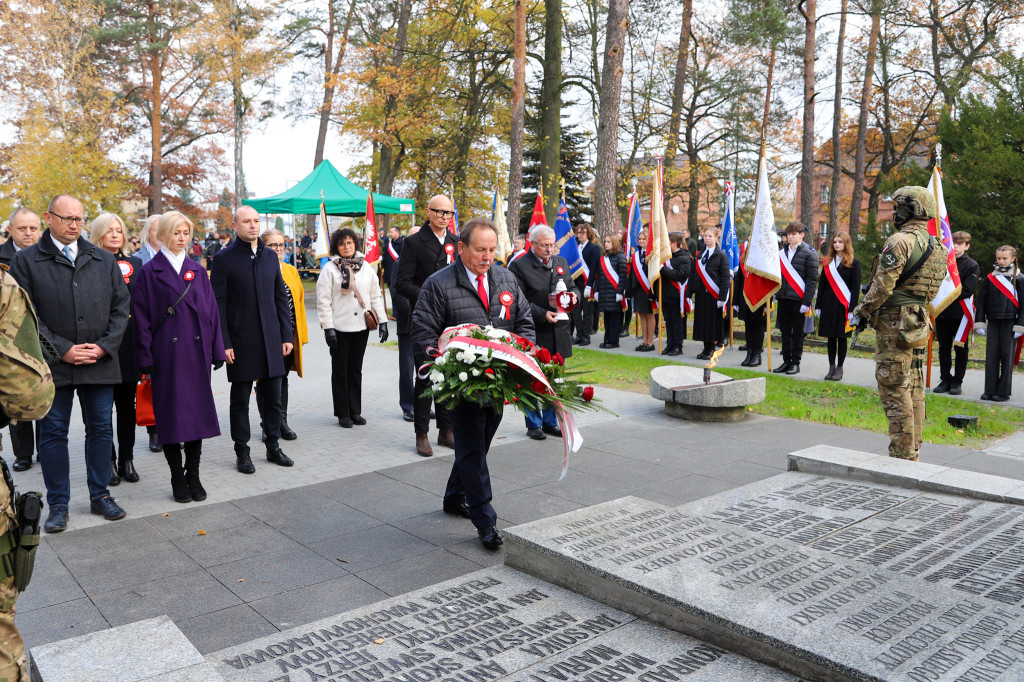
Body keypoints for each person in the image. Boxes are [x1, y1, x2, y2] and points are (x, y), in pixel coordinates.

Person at [10, 194, 130, 532]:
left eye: (79, 219)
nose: (75, 225)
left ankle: (100, 495)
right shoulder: (28, 261)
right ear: (49, 218)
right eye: (67, 219)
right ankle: (58, 504)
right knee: (52, 434)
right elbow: (25, 315)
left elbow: (122, 310)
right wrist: (60, 349)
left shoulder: (102, 259)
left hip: (98, 362)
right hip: (52, 366)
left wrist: (104, 348)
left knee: (101, 429)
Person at [411, 218, 534, 550]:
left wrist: (523, 359)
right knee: (473, 450)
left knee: (476, 446)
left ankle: (454, 497)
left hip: (497, 383)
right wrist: (441, 372)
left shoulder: (506, 277)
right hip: (461, 386)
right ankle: (486, 520)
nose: (487, 257)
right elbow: (423, 334)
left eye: (493, 250)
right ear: (461, 247)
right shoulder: (438, 284)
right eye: (480, 249)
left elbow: (524, 321)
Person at [133, 212, 224, 502]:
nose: (181, 238)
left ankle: (193, 473)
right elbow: (142, 319)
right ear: (163, 235)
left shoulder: (196, 270)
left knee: (196, 416)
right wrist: (145, 355)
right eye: (176, 232)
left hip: (196, 354)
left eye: (186, 232)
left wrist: (217, 348)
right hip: (167, 356)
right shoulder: (149, 272)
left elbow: (211, 312)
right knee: (170, 418)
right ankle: (176, 475)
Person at [852, 186, 947, 461]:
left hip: (895, 323)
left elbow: (882, 287)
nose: (894, 211)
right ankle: (913, 449)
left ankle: (902, 456)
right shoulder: (937, 245)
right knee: (915, 386)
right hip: (918, 321)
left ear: (912, 209)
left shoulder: (900, 241)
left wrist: (863, 311)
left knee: (894, 387)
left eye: (898, 206)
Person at [211, 206, 295, 474]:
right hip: (240, 341)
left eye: (256, 221)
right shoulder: (223, 259)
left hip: (271, 339)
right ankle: (242, 452)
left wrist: (286, 334)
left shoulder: (270, 257)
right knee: (241, 400)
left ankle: (273, 446)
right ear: (235, 226)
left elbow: (280, 298)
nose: (253, 225)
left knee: (273, 398)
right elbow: (218, 305)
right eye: (246, 221)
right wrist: (224, 342)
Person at [395, 195, 459, 456]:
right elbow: (402, 282)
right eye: (439, 212)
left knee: (449, 375)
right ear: (428, 212)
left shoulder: (457, 242)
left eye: (448, 213)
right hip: (424, 319)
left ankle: (446, 430)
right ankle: (422, 433)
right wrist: (428, 295)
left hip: (451, 319)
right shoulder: (413, 242)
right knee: (426, 376)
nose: (444, 216)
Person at [88, 213, 144, 485]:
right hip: (100, 345)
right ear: (98, 234)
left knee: (127, 407)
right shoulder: (86, 263)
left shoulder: (135, 264)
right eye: (108, 230)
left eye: (119, 230)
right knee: (100, 412)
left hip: (128, 346)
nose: (114, 234)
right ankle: (107, 461)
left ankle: (127, 459)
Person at [509, 225, 577, 440]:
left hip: (559, 331)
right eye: (545, 245)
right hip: (535, 331)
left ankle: (550, 421)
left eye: (552, 245)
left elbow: (572, 287)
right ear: (533, 243)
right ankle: (533, 424)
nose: (550, 250)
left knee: (555, 380)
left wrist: (574, 298)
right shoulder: (519, 266)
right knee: (531, 379)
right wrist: (542, 314)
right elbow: (517, 300)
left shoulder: (561, 262)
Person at [316, 228, 388, 427]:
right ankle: (342, 413)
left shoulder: (366, 267)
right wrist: (327, 327)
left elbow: (375, 296)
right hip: (339, 327)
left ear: (356, 244)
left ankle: (355, 410)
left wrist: (382, 321)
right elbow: (323, 301)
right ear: (336, 247)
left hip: (361, 327)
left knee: (356, 370)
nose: (346, 247)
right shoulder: (329, 269)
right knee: (340, 371)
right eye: (341, 244)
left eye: (349, 242)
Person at [0, 208, 42, 472]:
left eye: (33, 228)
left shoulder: (47, 256)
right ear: (10, 230)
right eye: (22, 228)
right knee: (18, 394)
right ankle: (23, 453)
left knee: (42, 393)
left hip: (43, 333)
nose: (28, 233)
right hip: (12, 337)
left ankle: (45, 449)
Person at [257, 230, 308, 440]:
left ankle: (281, 421)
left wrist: (300, 335)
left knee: (283, 379)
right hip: (266, 336)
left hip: (288, 336)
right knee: (265, 381)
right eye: (272, 245)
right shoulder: (258, 270)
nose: (278, 249)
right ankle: (267, 423)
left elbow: (300, 303)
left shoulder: (290, 270)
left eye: (281, 245)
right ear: (263, 247)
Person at [975, 245, 1024, 402]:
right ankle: (989, 390)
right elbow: (982, 301)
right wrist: (980, 322)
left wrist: (1020, 325)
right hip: (993, 321)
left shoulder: (1020, 278)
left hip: (1011, 322)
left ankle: (1003, 392)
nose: (1001, 261)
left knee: (1007, 357)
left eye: (1004, 258)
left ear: (1013, 259)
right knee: (991, 357)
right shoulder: (990, 278)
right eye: (998, 258)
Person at [934, 231, 980, 395]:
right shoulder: (943, 262)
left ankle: (957, 381)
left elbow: (967, 290)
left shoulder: (971, 265)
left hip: (960, 314)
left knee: (960, 349)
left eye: (960, 244)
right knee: (943, 348)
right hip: (942, 312)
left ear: (967, 246)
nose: (955, 246)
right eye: (953, 243)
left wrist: (946, 295)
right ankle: (945, 378)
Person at [815, 231, 861, 381]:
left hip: (843, 306)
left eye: (840, 242)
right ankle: (831, 367)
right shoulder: (828, 261)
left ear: (846, 243)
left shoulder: (854, 263)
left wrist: (851, 310)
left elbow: (855, 288)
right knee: (830, 337)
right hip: (828, 305)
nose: (837, 244)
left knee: (841, 338)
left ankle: (839, 368)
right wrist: (818, 305)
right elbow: (821, 286)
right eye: (835, 242)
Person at [773, 221, 818, 375]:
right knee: (785, 332)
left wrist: (807, 302)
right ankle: (786, 361)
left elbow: (812, 280)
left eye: (794, 234)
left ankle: (795, 363)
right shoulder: (781, 253)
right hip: (784, 298)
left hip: (799, 300)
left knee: (797, 333)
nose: (790, 237)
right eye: (789, 234)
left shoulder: (809, 253)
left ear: (802, 235)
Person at [688, 226, 729, 359]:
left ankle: (711, 349)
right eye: (705, 236)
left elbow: (724, 278)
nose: (707, 238)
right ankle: (705, 348)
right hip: (701, 294)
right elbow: (694, 275)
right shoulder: (700, 254)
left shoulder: (721, 255)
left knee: (712, 323)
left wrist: (722, 297)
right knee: (702, 321)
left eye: (710, 236)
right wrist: (689, 293)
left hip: (714, 295)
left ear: (716, 237)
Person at [392, 225, 418, 422]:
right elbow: (398, 292)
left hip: (428, 324)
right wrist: (416, 315)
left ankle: (423, 404)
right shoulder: (400, 263)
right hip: (408, 323)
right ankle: (408, 406)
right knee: (407, 368)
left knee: (426, 367)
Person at [734, 241, 767, 367]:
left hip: (758, 299)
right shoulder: (743, 262)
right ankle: (749, 353)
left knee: (758, 327)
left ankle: (757, 355)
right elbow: (738, 282)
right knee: (748, 326)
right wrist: (735, 301)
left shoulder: (763, 264)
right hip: (745, 298)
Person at [659, 232, 692, 356]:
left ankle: (678, 345)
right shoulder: (666, 257)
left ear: (673, 243)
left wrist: (662, 269)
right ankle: (670, 344)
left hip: (677, 294)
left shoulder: (684, 258)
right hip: (666, 294)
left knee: (676, 320)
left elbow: (679, 275)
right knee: (668, 320)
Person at [595, 234, 627, 348]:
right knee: (607, 318)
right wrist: (596, 290)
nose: (606, 243)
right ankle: (607, 339)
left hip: (614, 293)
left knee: (614, 319)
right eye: (605, 241)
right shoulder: (603, 258)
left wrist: (619, 292)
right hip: (604, 293)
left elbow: (623, 277)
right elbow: (599, 276)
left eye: (608, 241)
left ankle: (614, 341)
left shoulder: (620, 257)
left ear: (614, 243)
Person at [626, 230, 656, 351]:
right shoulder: (636, 256)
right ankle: (644, 341)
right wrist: (629, 291)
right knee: (642, 315)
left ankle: (650, 342)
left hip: (649, 290)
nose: (642, 241)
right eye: (640, 239)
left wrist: (654, 293)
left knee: (649, 315)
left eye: (644, 239)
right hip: (638, 289)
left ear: (649, 240)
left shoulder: (652, 254)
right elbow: (632, 274)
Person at [571, 223, 600, 346]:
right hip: (577, 284)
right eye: (578, 232)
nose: (579, 235)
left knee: (588, 312)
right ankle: (579, 334)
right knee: (576, 311)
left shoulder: (594, 248)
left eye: (582, 233)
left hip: (588, 283)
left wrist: (590, 285)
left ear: (588, 234)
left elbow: (594, 269)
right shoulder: (576, 247)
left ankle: (586, 336)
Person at [382, 225, 403, 291]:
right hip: (389, 272)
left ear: (397, 233)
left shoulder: (403, 244)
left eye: (391, 232)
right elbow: (385, 257)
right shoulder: (388, 245)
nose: (390, 234)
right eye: (390, 232)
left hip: (398, 273)